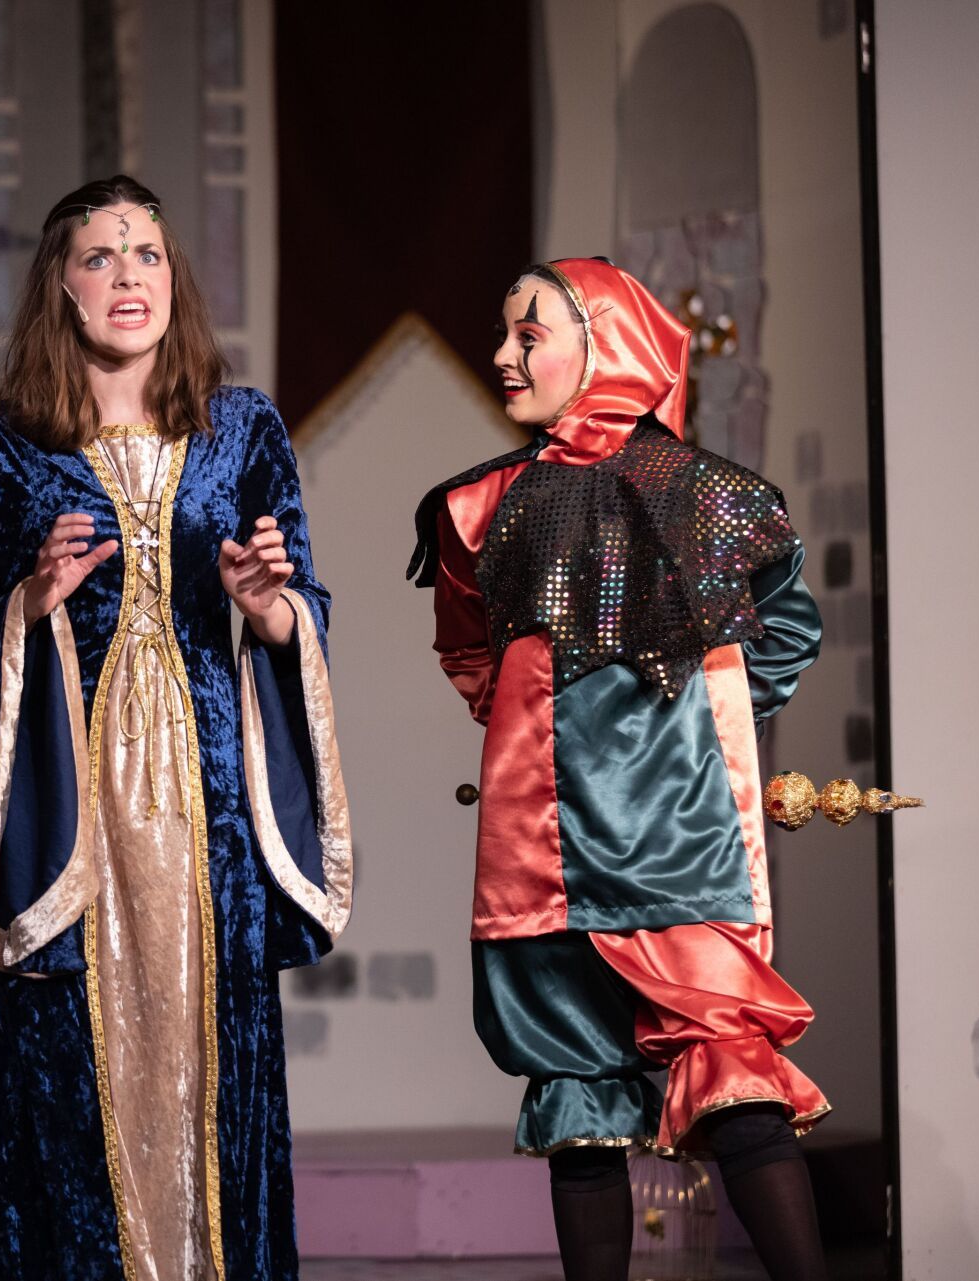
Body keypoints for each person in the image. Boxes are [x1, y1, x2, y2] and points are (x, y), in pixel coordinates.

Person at [0, 175, 353, 1280]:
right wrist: (26, 605)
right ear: (61, 286)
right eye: (101, 257)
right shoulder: (5, 444)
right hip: (73, 819)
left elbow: (306, 605)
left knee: (214, 1074)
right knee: (62, 1088)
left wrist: (270, 607)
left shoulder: (241, 427)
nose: (129, 277)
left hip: (209, 819)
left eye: (149, 255)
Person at [409, 259, 831, 1281]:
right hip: (538, 853)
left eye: (530, 334)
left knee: (734, 1076)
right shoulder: (477, 506)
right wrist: (531, 730)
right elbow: (467, 648)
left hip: (671, 843)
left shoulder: (710, 495)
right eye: (504, 334)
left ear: (609, 344)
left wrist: (694, 733)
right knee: (579, 1102)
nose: (503, 356)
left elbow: (785, 633)